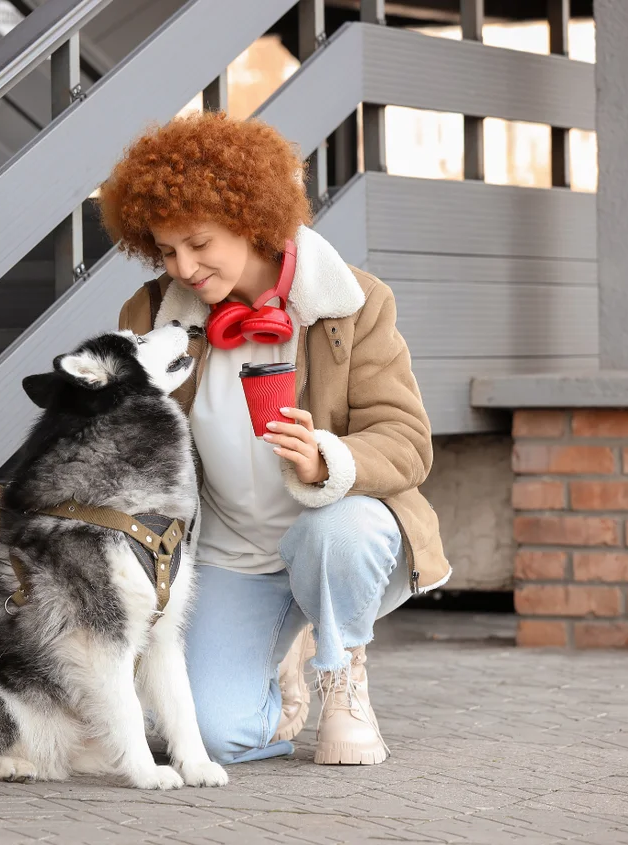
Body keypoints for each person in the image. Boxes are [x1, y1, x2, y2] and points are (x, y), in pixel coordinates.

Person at [99, 111, 449, 766]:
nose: (184, 266)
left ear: (250, 216)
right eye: (167, 249)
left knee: (334, 531)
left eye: (200, 242)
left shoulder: (354, 302)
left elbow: (407, 440)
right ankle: (282, 674)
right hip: (232, 555)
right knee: (209, 735)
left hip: (334, 532)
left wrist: (329, 460)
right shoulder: (152, 314)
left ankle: (342, 668)